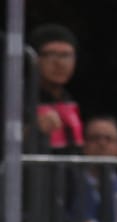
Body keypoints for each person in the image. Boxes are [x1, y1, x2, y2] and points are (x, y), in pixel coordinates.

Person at [29, 23, 83, 153]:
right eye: (51, 54)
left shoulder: (72, 99)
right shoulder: (19, 98)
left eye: (66, 55)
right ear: (35, 59)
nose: (60, 63)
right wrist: (34, 130)